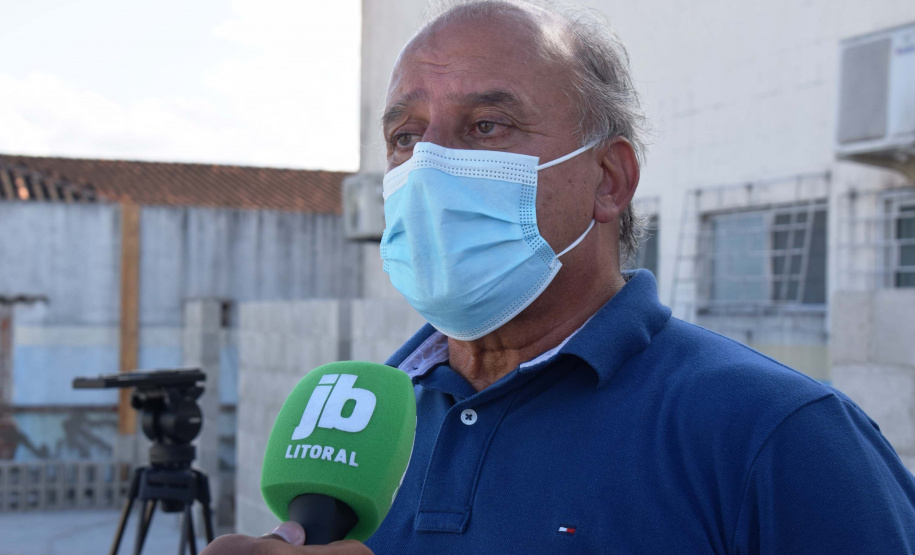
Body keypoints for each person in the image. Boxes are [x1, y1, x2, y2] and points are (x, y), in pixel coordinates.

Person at [203, 1, 915, 553]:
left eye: (486, 126)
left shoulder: (775, 433)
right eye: (405, 137)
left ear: (609, 180)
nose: (427, 168)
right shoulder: (361, 424)